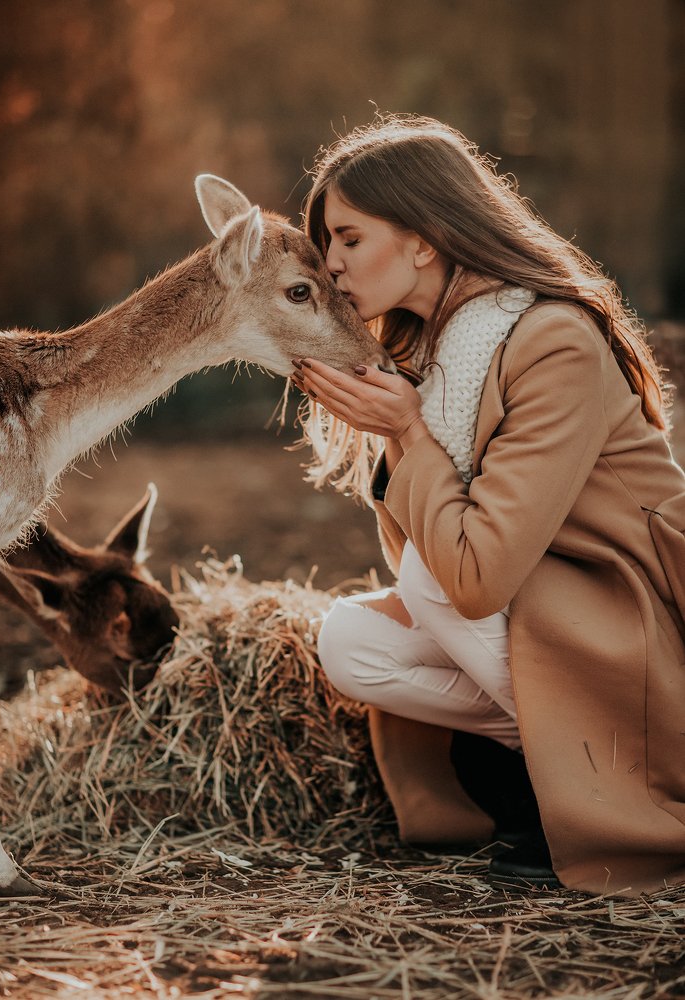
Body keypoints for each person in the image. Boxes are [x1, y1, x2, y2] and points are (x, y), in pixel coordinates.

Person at [289, 114, 685, 896]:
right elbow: (426, 555)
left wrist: (404, 429)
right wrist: (401, 428)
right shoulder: (425, 353)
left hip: (639, 620)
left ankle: (618, 781)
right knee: (347, 641)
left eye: (347, 237)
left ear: (424, 239)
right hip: (550, 612)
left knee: (439, 582)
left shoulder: (551, 340)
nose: (329, 264)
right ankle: (564, 770)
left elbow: (471, 580)